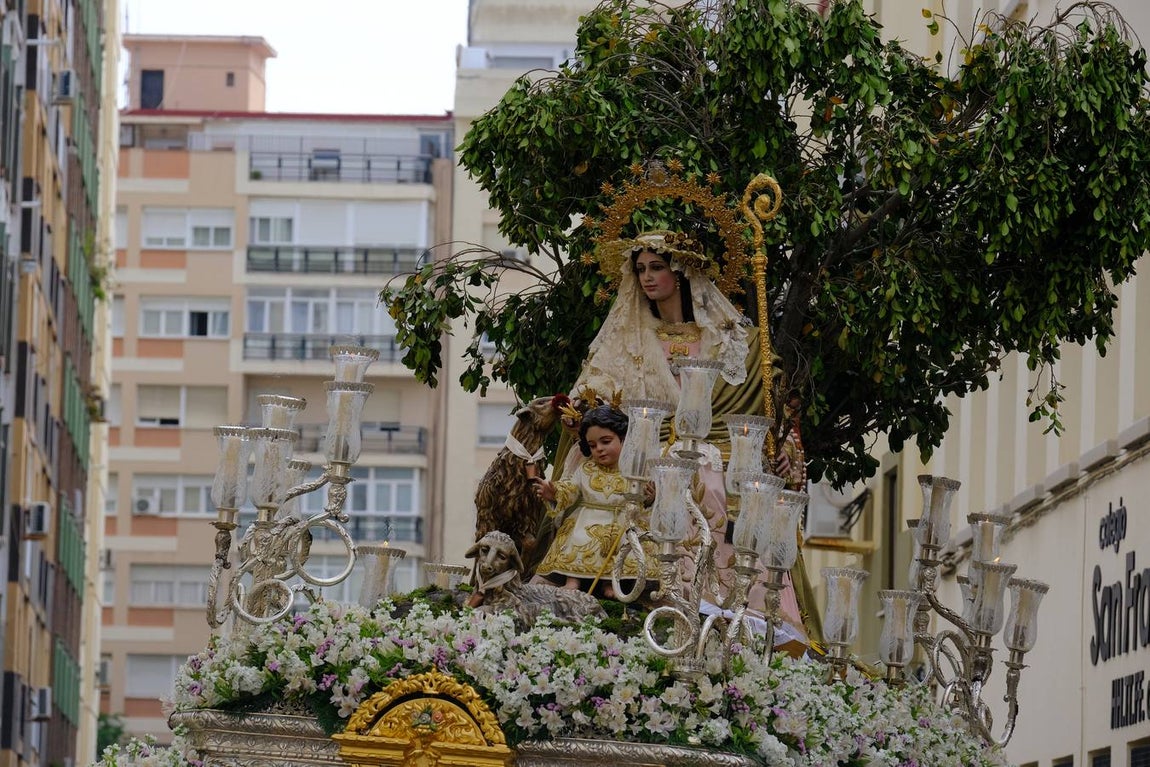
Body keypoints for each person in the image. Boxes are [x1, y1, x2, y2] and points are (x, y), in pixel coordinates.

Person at [558, 230, 807, 645]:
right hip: (643, 455)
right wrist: (581, 417)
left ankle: (730, 607)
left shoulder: (734, 343)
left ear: (683, 272)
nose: (647, 278)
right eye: (640, 270)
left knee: (717, 484)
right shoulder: (629, 340)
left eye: (657, 267)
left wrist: (785, 452)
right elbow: (596, 401)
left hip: (722, 457)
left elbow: (773, 416)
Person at [532, 406, 644, 599]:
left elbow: (643, 496)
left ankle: (611, 583)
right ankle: (572, 580)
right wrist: (554, 492)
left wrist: (649, 496)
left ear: (624, 439)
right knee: (579, 536)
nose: (599, 449)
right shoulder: (586, 468)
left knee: (621, 542)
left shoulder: (634, 469)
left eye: (606, 441)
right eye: (592, 445)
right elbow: (570, 487)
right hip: (588, 519)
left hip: (621, 520)